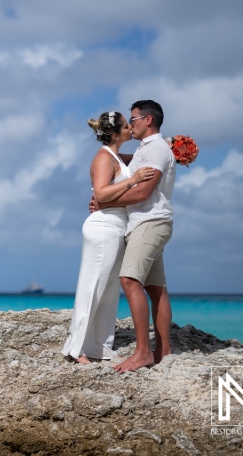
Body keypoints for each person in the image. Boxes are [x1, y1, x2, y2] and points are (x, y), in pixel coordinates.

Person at [63, 111, 155, 364]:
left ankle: (99, 346)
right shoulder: (104, 158)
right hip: (104, 226)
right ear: (115, 134)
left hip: (116, 226)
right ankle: (77, 347)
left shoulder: (116, 156)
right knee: (93, 286)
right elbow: (102, 194)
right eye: (126, 126)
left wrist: (170, 146)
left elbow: (139, 157)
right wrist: (133, 181)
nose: (130, 129)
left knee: (108, 289)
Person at [93, 100, 176, 373]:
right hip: (149, 222)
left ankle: (143, 353)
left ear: (148, 120)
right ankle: (164, 351)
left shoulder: (156, 149)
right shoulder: (147, 149)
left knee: (129, 280)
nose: (131, 125)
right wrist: (109, 151)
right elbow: (124, 161)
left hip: (149, 222)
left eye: (134, 119)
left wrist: (104, 203)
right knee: (155, 288)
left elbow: (142, 193)